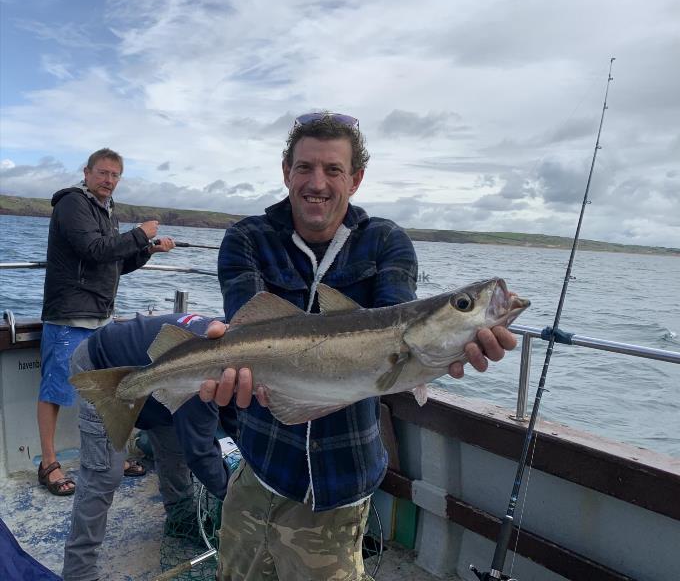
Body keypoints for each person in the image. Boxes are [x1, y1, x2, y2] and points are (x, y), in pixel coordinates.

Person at [201, 112, 517, 581]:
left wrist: (450, 348)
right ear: (286, 171)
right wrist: (230, 366)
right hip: (259, 461)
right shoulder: (248, 238)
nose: (317, 183)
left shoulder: (386, 242)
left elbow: (394, 324)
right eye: (305, 168)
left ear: (356, 179)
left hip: (340, 478)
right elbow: (248, 325)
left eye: (333, 170)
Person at [37, 148, 175, 496]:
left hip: (100, 315)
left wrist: (146, 251)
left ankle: (111, 455)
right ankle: (48, 463)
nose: (108, 180)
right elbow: (94, 250)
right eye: (102, 173)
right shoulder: (72, 204)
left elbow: (113, 263)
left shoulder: (107, 212)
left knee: (109, 389)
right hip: (69, 313)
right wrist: (140, 235)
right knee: (56, 389)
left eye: (114, 175)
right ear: (86, 173)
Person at [62, 312, 231, 581]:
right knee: (104, 473)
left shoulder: (233, 347)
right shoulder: (209, 370)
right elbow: (201, 454)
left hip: (157, 385)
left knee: (175, 452)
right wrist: (237, 498)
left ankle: (181, 518)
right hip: (105, 369)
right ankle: (78, 570)